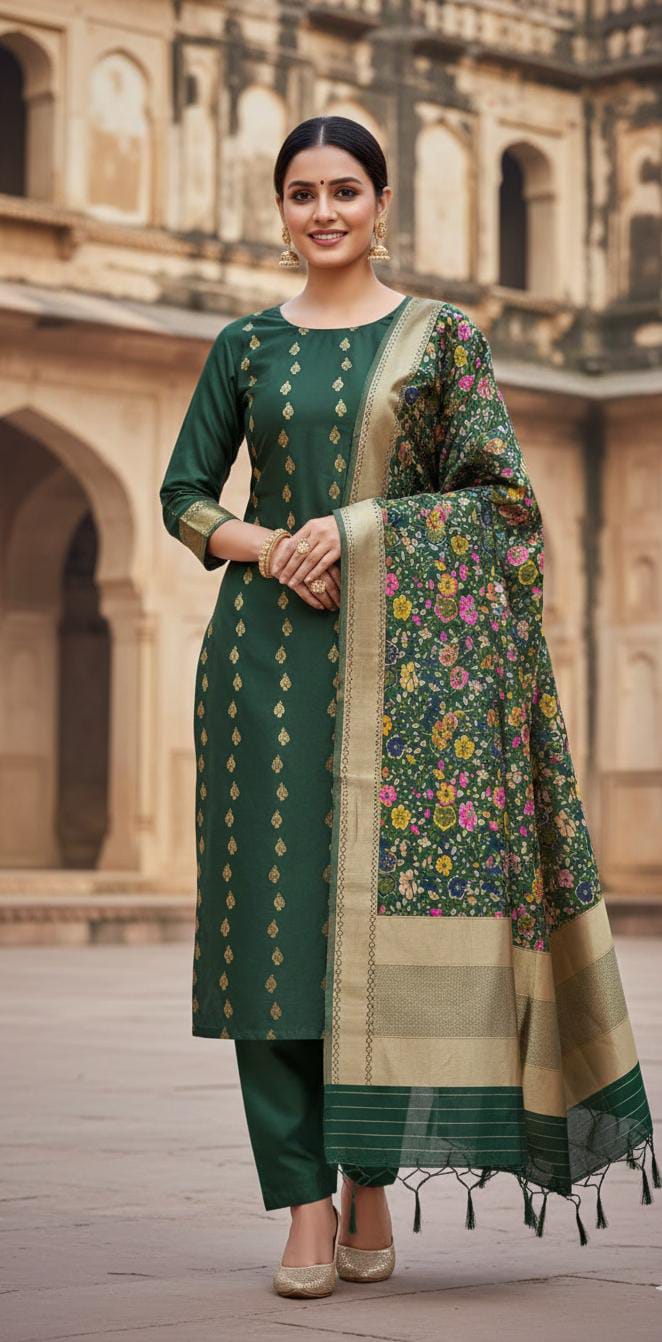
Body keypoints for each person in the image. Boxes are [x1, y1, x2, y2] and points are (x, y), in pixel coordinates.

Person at [160, 115, 658, 1299]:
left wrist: (366, 529)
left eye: (343, 190)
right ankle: (300, 1208)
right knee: (269, 945)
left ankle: (367, 1184)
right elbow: (183, 495)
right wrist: (269, 543)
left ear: (384, 203)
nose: (321, 210)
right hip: (262, 671)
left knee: (369, 946)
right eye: (299, 193)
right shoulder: (242, 347)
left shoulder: (445, 341)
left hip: (410, 691)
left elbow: (501, 507)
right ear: (278, 212)